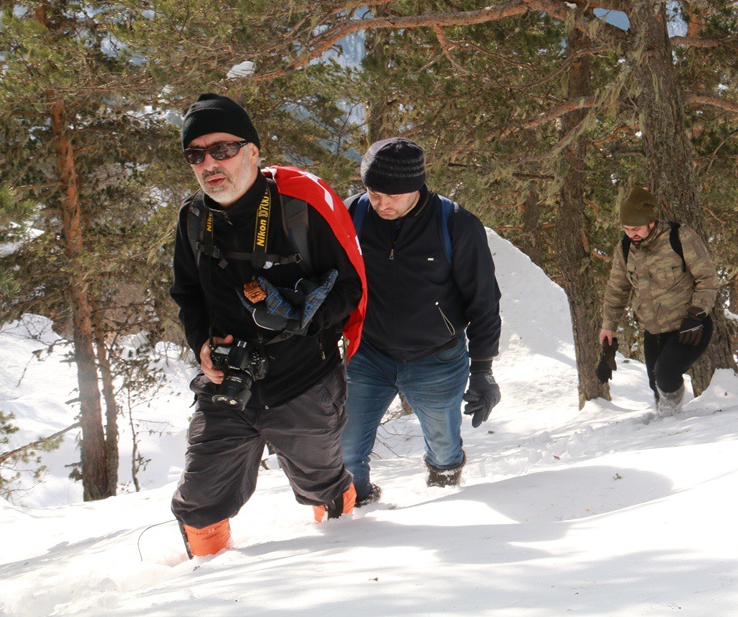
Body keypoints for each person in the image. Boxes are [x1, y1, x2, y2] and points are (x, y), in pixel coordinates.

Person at [169, 93, 367, 557]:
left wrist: (301, 318)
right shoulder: (194, 217)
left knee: (322, 483)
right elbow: (188, 295)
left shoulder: (301, 207)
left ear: (253, 152)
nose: (208, 163)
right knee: (199, 499)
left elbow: (351, 290)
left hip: (304, 381)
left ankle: (351, 552)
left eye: (222, 149)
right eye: (196, 154)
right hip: (229, 383)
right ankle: (206, 584)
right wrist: (200, 345)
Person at [342, 137, 502, 506]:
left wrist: (482, 369)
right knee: (347, 450)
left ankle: (445, 499)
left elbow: (484, 300)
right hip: (368, 354)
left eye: (391, 195)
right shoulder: (352, 215)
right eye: (372, 191)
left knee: (445, 446)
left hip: (437, 358)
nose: (380, 203)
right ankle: (358, 510)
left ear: (416, 186)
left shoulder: (456, 224)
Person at [599, 186, 719, 409]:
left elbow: (708, 279)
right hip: (653, 330)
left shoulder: (679, 237)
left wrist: (697, 315)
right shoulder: (625, 248)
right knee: (656, 384)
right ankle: (669, 419)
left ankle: (670, 419)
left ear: (651, 222)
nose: (631, 233)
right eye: (626, 228)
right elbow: (617, 290)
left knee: (665, 376)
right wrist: (609, 328)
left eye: (636, 228)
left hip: (689, 327)